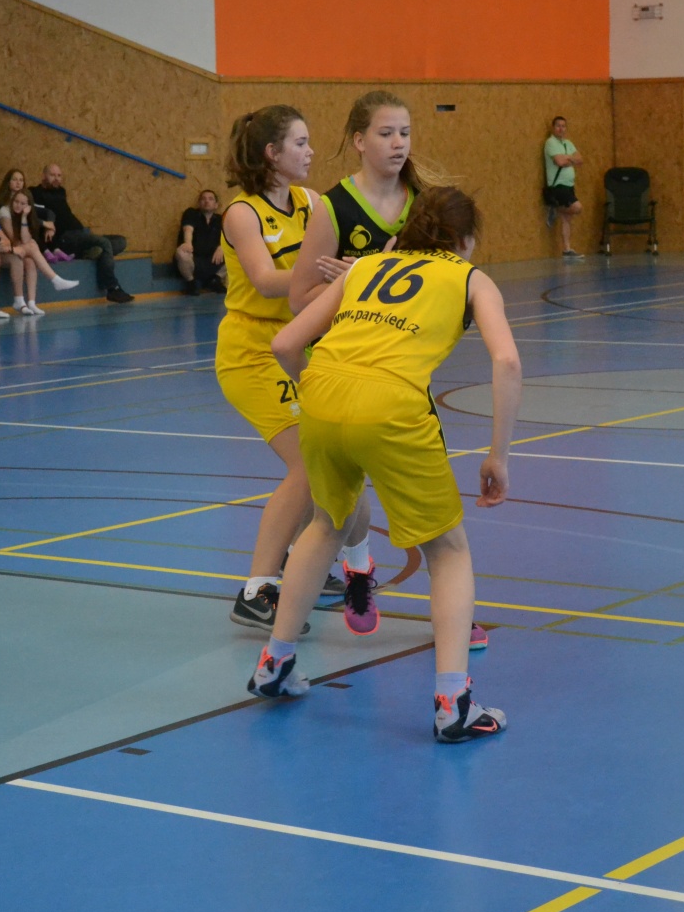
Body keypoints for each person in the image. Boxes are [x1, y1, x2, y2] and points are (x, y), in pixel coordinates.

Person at [250, 187, 521, 745]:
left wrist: (320, 396)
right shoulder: (472, 279)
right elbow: (507, 360)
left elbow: (285, 343)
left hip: (321, 392)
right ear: (465, 239)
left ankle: (275, 663)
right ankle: (453, 704)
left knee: (325, 524)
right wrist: (498, 453)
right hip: (392, 405)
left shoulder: (366, 265)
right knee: (447, 550)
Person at [285, 89, 476, 640]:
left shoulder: (425, 203)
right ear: (358, 141)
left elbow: (450, 273)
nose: (398, 143)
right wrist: (355, 279)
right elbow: (299, 300)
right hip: (341, 365)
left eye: (405, 133)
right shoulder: (333, 208)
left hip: (400, 371)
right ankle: (359, 569)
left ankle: (454, 617)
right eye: (387, 133)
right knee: (337, 505)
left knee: (431, 506)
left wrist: (374, 272)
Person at [215, 105, 329, 635]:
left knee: (330, 455)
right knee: (306, 464)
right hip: (251, 352)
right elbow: (264, 280)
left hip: (298, 345)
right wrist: (336, 278)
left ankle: (310, 560)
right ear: (272, 153)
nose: (310, 151)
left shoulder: (312, 202)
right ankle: (256, 590)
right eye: (300, 142)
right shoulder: (243, 213)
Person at [32, 164, 133, 303]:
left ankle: (88, 252)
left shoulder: (61, 191)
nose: (56, 179)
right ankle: (112, 288)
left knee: (121, 241)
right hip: (65, 237)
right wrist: (48, 226)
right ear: (43, 176)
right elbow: (37, 215)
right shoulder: (35, 193)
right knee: (105, 243)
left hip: (79, 234)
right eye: (52, 175)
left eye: (59, 176)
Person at [0, 188, 77, 315]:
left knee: (30, 261)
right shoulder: (5, 213)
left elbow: (25, 239)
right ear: (12, 201)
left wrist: (24, 217)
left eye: (22, 203)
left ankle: (31, 303)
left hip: (16, 249)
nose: (18, 205)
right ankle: (55, 279)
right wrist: (21, 247)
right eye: (16, 201)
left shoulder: (23, 215)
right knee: (32, 245)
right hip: (1, 250)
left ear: (28, 206)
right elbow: (14, 240)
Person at [543, 115, 584, 258]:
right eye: (558, 126)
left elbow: (580, 159)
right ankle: (554, 207)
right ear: (553, 128)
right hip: (558, 185)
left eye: (563, 126)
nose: (561, 129)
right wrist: (570, 159)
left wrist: (568, 158)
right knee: (577, 208)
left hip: (569, 185)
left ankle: (567, 248)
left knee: (567, 218)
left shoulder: (568, 143)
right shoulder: (551, 143)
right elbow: (559, 162)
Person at [175, 189, 225, 295]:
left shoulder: (221, 219)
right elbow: (188, 229)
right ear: (199, 203)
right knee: (181, 252)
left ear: (216, 205)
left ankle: (215, 280)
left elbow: (230, 237)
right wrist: (188, 243)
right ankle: (191, 282)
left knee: (237, 251)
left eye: (210, 199)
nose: (207, 201)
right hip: (193, 260)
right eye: (203, 199)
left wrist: (222, 247)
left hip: (213, 260)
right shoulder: (191, 213)